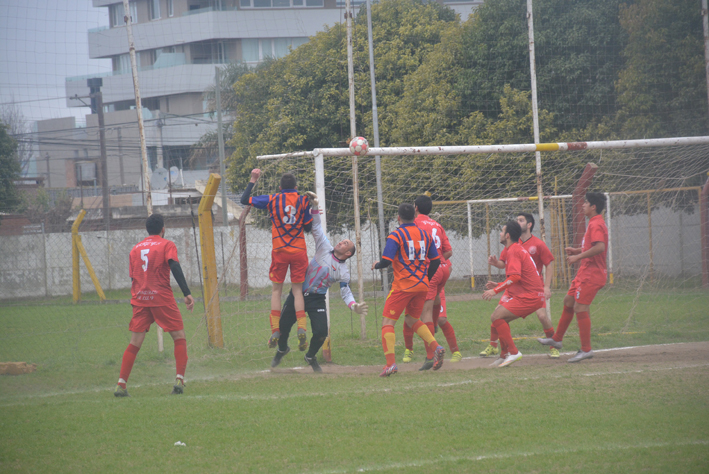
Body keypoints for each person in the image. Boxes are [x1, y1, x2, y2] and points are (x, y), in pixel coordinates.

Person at [270, 192, 369, 372]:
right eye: (342, 240)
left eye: (345, 243)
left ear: (348, 253)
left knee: (321, 332)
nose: (341, 242)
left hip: (317, 299)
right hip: (298, 293)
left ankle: (310, 356)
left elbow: (345, 292)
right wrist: (314, 207)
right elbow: (315, 227)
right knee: (282, 327)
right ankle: (282, 348)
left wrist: (353, 305)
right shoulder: (324, 246)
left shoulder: (343, 271)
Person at [114, 213, 195, 397]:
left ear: (147, 229)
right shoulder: (167, 245)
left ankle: (121, 384)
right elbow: (174, 266)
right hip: (161, 298)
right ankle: (179, 380)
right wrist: (186, 293)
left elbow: (133, 277)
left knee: (134, 342)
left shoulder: (135, 249)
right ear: (163, 229)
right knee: (179, 336)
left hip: (140, 299)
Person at [241, 169, 312, 351]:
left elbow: (244, 200)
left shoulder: (273, 198)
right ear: (296, 188)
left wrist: (253, 179)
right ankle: (302, 328)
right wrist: (313, 208)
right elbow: (309, 227)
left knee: (276, 291)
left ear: (280, 188)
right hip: (298, 251)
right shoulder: (304, 200)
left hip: (279, 250)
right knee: (297, 291)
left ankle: (275, 330)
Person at [372, 203, 445, 377]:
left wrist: (376, 265)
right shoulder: (425, 235)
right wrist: (426, 277)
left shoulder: (396, 234)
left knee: (387, 324)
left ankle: (390, 364)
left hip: (403, 286)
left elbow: (386, 261)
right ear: (415, 216)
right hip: (422, 286)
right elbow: (435, 261)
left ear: (398, 218)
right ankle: (437, 347)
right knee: (412, 320)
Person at [538, 192, 608, 362]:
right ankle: (557, 339)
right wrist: (578, 251)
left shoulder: (596, 223)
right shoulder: (592, 223)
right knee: (568, 302)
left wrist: (577, 257)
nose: (583, 205)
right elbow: (592, 247)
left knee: (580, 308)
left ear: (593, 207)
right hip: (584, 272)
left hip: (592, 274)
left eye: (586, 203)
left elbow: (600, 247)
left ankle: (586, 350)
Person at [483, 212, 558, 358]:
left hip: (530, 293)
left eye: (502, 231)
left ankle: (514, 352)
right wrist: (498, 283)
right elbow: (513, 273)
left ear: (508, 236)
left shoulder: (522, 248)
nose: (499, 233)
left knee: (499, 316)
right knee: (498, 317)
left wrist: (496, 290)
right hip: (520, 290)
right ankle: (503, 353)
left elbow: (516, 276)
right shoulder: (513, 248)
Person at [402, 195, 462, 369]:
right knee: (434, 302)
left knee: (422, 314)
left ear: (416, 208)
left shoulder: (414, 224)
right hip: (443, 268)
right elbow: (448, 251)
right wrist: (438, 260)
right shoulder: (437, 225)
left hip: (429, 270)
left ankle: (430, 356)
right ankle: (433, 326)